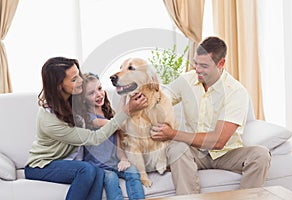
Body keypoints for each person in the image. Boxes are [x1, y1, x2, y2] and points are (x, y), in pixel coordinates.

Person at [150, 36, 271, 195]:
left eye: (204, 65)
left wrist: (172, 134)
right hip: (194, 152)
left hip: (226, 153)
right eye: (196, 63)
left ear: (221, 64)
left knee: (261, 155)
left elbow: (218, 141)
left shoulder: (235, 92)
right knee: (177, 148)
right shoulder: (187, 80)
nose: (197, 69)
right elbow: (159, 101)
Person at [24, 57, 147, 200]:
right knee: (86, 169)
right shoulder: (49, 119)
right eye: (74, 79)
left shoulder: (73, 100)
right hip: (42, 165)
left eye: (79, 75)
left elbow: (96, 93)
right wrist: (127, 110)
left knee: (98, 173)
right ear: (59, 86)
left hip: (69, 163)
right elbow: (94, 138)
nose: (80, 81)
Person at [79, 72, 145, 200]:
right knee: (111, 179)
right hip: (98, 167)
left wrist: (124, 159)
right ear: (83, 99)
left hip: (115, 163)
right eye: (91, 93)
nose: (98, 94)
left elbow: (117, 139)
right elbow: (117, 124)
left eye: (99, 89)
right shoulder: (89, 119)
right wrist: (126, 106)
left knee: (133, 172)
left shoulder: (108, 113)